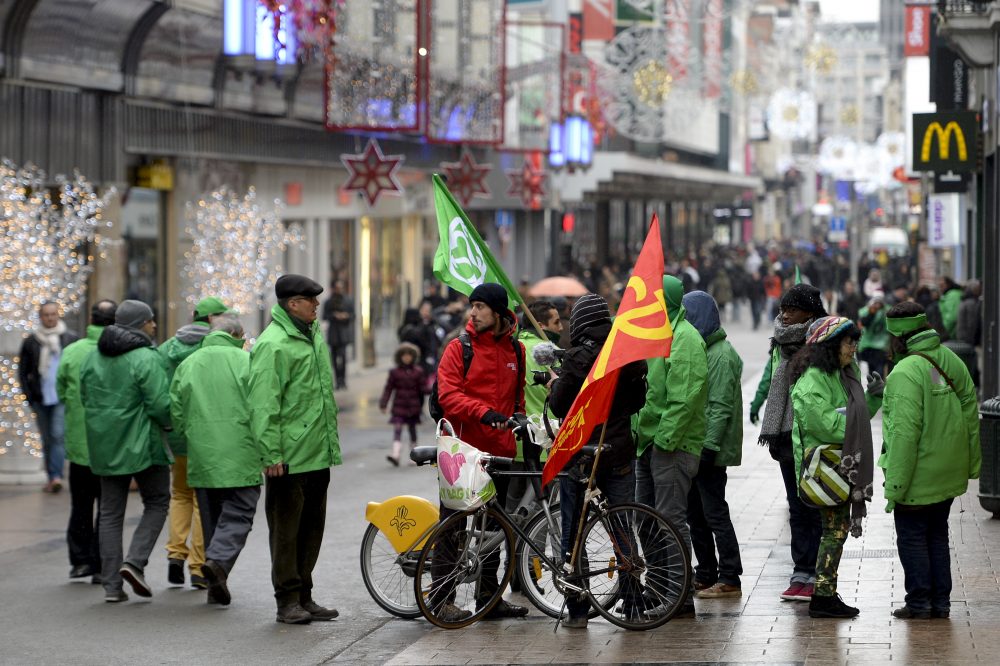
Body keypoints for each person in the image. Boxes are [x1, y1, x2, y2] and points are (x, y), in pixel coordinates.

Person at [548, 293, 647, 628]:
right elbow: (637, 401)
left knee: (572, 534)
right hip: (617, 451)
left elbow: (560, 406)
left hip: (580, 455)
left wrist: (553, 384)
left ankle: (577, 610)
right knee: (621, 526)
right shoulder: (628, 356)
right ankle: (633, 602)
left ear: (580, 323)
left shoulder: (577, 358)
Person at [248, 274, 341, 625]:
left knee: (311, 528)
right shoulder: (274, 344)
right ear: (293, 304)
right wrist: (271, 454)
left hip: (317, 452)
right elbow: (262, 404)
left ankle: (304, 594)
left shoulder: (312, 336)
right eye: (311, 299)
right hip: (288, 457)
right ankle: (286, 599)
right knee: (287, 533)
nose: (317, 304)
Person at [433, 282, 528, 623]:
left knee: (493, 530)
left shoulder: (517, 351)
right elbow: (449, 397)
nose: (473, 312)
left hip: (500, 452)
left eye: (480, 307)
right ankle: (441, 599)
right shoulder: (459, 349)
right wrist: (485, 413)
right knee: (454, 527)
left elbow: (516, 401)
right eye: (472, 306)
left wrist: (518, 419)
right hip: (463, 453)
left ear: (499, 313)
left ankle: (489, 598)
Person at [881, 302, 980, 619]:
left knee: (912, 537)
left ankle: (919, 602)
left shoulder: (905, 372)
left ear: (898, 337)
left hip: (917, 474)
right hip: (948, 472)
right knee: (937, 535)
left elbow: (903, 435)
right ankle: (941, 602)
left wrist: (895, 484)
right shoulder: (951, 360)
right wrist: (971, 464)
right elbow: (971, 415)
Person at [788, 316, 882, 619]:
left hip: (842, 465)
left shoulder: (843, 373)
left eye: (855, 342)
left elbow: (856, 417)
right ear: (830, 346)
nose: (854, 349)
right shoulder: (813, 379)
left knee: (835, 531)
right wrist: (855, 415)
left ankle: (825, 592)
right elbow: (828, 426)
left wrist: (873, 398)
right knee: (834, 531)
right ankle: (823, 596)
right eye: (848, 342)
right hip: (825, 468)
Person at [79, 300, 172, 603]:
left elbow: (84, 396)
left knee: (109, 513)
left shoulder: (93, 357)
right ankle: (134, 561)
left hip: (104, 444)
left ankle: (111, 586)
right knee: (157, 501)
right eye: (150, 320)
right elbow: (160, 404)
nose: (154, 325)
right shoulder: (145, 357)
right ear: (139, 324)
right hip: (143, 442)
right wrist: (171, 426)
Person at [170, 313, 262, 607]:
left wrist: (192, 437)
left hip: (202, 454)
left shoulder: (189, 364)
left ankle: (214, 582)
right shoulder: (245, 362)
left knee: (211, 521)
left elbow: (177, 412)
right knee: (240, 513)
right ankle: (219, 563)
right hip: (240, 453)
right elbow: (261, 406)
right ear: (236, 336)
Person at [634, 274, 707, 618]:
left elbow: (683, 398)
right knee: (645, 520)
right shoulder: (654, 334)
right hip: (647, 443)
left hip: (673, 446)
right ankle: (659, 586)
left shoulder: (686, 338)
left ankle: (679, 596)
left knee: (670, 521)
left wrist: (663, 440)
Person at [750, 283, 827, 602]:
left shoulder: (824, 346)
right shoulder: (780, 344)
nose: (784, 314)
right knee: (796, 506)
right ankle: (801, 570)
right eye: (783, 308)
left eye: (791, 309)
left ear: (809, 312)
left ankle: (818, 573)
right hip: (785, 438)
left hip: (814, 440)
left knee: (814, 506)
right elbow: (773, 383)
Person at [159, 296, 229, 589]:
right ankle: (199, 567)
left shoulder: (167, 348)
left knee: (179, 494)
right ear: (213, 319)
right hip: (204, 432)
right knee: (203, 502)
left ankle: (175, 554)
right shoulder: (214, 348)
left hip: (175, 432)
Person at [681, 291, 744, 599]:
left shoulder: (720, 354)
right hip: (698, 445)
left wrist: (707, 447)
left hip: (709, 450)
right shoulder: (706, 349)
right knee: (696, 514)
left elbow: (718, 407)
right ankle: (706, 572)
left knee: (714, 513)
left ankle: (730, 575)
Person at [56, 299, 116, 583]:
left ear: (91, 320)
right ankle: (103, 563)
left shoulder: (72, 351)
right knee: (108, 506)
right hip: (110, 443)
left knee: (81, 503)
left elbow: (60, 390)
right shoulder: (118, 352)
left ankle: (80, 561)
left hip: (79, 442)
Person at [506, 299, 562, 517]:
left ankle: (508, 550)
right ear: (541, 324)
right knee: (542, 513)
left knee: (510, 511)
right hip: (544, 445)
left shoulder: (511, 349)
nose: (561, 327)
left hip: (514, 443)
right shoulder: (552, 353)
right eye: (556, 322)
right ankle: (534, 553)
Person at [19, 301, 79, 492]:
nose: (50, 318)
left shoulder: (70, 338)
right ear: (41, 317)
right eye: (46, 315)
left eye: (53, 314)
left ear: (58, 315)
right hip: (40, 397)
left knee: (58, 435)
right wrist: (29, 396)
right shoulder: (31, 341)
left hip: (61, 397)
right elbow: (23, 371)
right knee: (46, 438)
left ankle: (56, 476)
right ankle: (50, 475)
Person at [379, 342, 425, 466]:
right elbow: (388, 388)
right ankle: (396, 454)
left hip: (413, 406)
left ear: (413, 357)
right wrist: (383, 403)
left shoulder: (418, 372)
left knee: (412, 429)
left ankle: (414, 455)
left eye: (409, 355)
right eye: (404, 355)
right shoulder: (394, 372)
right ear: (399, 357)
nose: (406, 357)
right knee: (397, 428)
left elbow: (423, 389)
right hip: (399, 405)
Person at [322, 280, 354, 390]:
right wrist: (334, 316)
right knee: (334, 359)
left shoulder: (348, 300)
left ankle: (343, 380)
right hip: (334, 333)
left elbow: (353, 315)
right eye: (337, 288)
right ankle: (337, 381)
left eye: (340, 288)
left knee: (343, 357)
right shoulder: (328, 301)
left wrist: (346, 316)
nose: (339, 290)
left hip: (344, 333)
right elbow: (324, 316)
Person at [952, 279, 982, 387]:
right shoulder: (972, 303)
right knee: (972, 364)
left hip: (963, 337)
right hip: (968, 339)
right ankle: (974, 386)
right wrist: (974, 340)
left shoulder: (965, 301)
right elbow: (972, 323)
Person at [857, 296, 889, 378]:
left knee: (879, 372)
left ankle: (878, 388)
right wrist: (871, 313)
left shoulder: (886, 311)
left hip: (880, 347)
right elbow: (864, 323)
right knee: (868, 372)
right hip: (867, 346)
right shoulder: (866, 311)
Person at [937, 276, 963, 341]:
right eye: (939, 286)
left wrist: (943, 332)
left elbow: (952, 317)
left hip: (951, 335)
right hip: (951, 333)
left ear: (948, 284)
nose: (940, 288)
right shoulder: (949, 295)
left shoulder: (952, 295)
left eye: (942, 285)